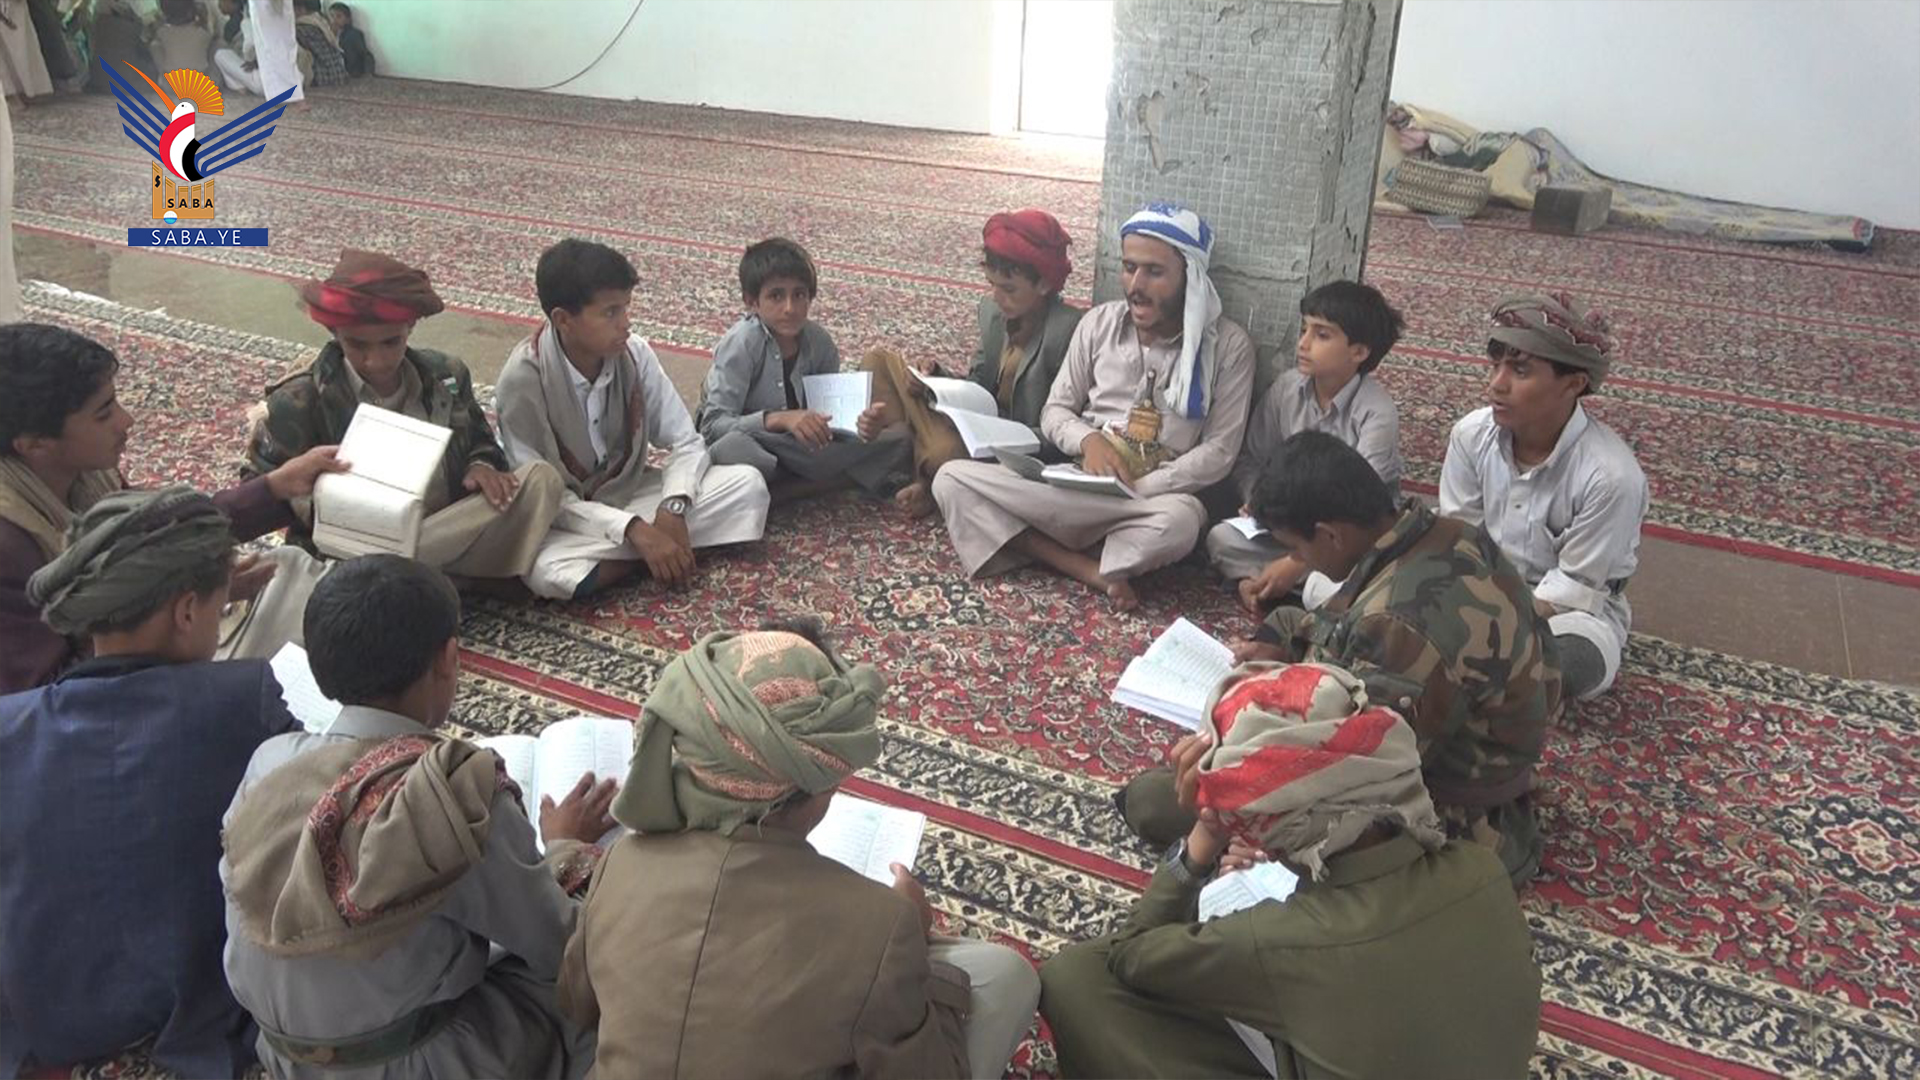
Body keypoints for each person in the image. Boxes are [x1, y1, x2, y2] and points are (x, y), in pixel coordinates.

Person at [559, 618, 1040, 1080]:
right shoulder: (882, 926)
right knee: (1007, 976)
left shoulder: (621, 863)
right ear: (823, 783)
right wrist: (913, 938)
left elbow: (578, 1005)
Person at [220, 554, 616, 1079]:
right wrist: (564, 847)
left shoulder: (268, 765)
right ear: (449, 658)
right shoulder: (454, 793)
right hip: (415, 1063)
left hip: (284, 1056)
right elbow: (557, 945)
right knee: (609, 971)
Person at [1041, 663, 1540, 1078]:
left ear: (1279, 827)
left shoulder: (1279, 940)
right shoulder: (1481, 869)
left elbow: (1129, 955)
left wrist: (1204, 838)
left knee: (1074, 977)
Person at [1120, 432, 1561, 886]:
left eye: (1296, 549)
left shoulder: (1396, 623)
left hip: (1459, 826)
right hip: (1471, 763)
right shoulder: (1441, 535)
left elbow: (1360, 776)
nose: (1298, 561)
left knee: (1157, 801)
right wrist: (1279, 645)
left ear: (1330, 535)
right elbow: (1329, 627)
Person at [0, 487, 303, 1078]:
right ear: (186, 612)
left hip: (48, 1013)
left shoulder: (10, 726)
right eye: (219, 608)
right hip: (196, 1000)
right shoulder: (243, 699)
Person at [931, 203, 1255, 611]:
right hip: (1075, 482)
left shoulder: (1229, 348)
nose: (1136, 285)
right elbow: (1055, 411)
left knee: (1180, 524)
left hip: (1149, 500)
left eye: (1154, 272)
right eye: (1129, 268)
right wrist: (1089, 442)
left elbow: (1220, 451)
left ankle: (1031, 540)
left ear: (1190, 276)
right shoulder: (1099, 323)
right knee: (950, 478)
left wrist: (1139, 487)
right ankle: (1086, 567)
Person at [1, 322, 340, 694]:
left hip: (159, 637)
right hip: (102, 703)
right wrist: (180, 609)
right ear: (34, 444)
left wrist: (277, 487)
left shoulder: (85, 475)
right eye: (103, 414)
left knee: (292, 573)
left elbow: (159, 535)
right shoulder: (10, 542)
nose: (126, 421)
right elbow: (47, 696)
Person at [245, 249, 564, 588]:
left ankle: (412, 579)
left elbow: (481, 441)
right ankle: (426, 578)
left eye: (390, 342)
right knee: (365, 567)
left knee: (542, 479)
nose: (376, 360)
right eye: (358, 345)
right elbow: (259, 489)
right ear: (336, 334)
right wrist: (322, 497)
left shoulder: (446, 375)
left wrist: (480, 466)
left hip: (442, 525)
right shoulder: (299, 399)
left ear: (409, 327)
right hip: (354, 548)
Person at [498, 239, 769, 599]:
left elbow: (685, 441)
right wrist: (633, 530)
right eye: (610, 312)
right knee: (549, 571)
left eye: (625, 308)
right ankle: (659, 552)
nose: (626, 324)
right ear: (563, 320)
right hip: (570, 517)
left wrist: (673, 506)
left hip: (631, 492)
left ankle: (648, 554)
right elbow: (541, 498)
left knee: (748, 485)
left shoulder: (633, 353)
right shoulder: (523, 379)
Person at [1441, 293, 1647, 702]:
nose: (1496, 384)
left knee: (1573, 662)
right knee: (1356, 585)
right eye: (1495, 366)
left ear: (1573, 384)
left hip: (1565, 616)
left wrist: (1485, 626)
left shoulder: (1611, 477)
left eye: (1520, 371)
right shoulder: (1471, 435)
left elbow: (1574, 587)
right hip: (1476, 591)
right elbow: (1460, 538)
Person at [862, 210, 1083, 518]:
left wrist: (1001, 438)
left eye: (1009, 289)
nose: (997, 297)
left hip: (1009, 447)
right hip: (972, 424)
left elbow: (1062, 425)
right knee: (878, 362)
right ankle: (921, 459)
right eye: (992, 285)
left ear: (1044, 284)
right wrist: (935, 380)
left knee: (944, 453)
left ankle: (923, 474)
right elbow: (978, 385)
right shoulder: (993, 313)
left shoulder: (1069, 331)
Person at [1207, 280, 1404, 614]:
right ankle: (1277, 584)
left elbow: (1361, 510)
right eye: (1304, 330)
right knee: (1220, 539)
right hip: (1291, 531)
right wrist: (1258, 499)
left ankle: (1278, 581)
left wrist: (1297, 561)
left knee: (1372, 572)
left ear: (1359, 352)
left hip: (1346, 542)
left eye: (1321, 335)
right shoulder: (1287, 390)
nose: (1303, 343)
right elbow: (1251, 459)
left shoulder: (1377, 413)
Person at [696, 237, 910, 503]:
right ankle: (825, 481)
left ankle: (784, 488)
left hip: (797, 448)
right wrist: (780, 419)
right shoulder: (741, 343)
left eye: (799, 295)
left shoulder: (820, 343)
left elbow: (829, 424)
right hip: (755, 442)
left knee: (901, 438)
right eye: (776, 296)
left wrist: (864, 427)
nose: (790, 308)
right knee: (733, 449)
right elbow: (713, 426)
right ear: (752, 302)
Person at [243, 0, 301, 106]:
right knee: (272, 42)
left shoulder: (246, 23)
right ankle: (283, 94)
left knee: (279, 42)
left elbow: (248, 51)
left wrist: (249, 60)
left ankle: (287, 94)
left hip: (259, 79)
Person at [145, 0, 214, 83]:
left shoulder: (161, 33)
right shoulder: (203, 33)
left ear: (164, 13)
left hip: (172, 86)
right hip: (201, 83)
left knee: (154, 45)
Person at [290, 0, 342, 89]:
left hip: (321, 78)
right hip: (338, 74)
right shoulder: (322, 22)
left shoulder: (300, 28)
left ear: (300, 9)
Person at [329, 2, 371, 76]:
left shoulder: (354, 34)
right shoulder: (327, 34)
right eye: (331, 16)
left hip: (352, 71)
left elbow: (366, 55)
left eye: (339, 16)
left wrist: (368, 73)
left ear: (348, 19)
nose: (334, 20)